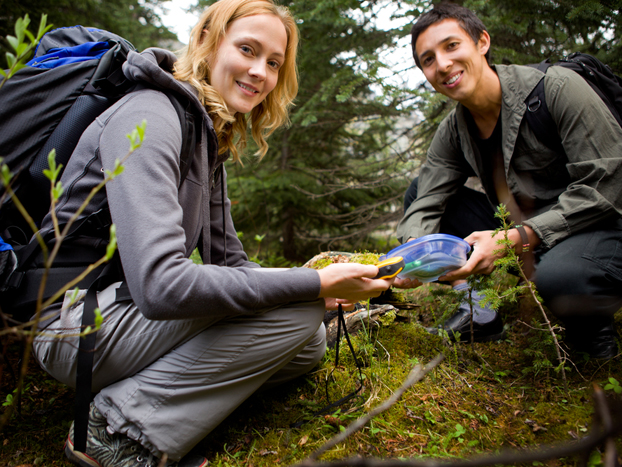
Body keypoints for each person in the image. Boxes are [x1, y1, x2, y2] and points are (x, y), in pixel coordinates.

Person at [31, 1, 394, 465]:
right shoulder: (150, 114)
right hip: (74, 327)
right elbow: (161, 285)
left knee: (308, 342)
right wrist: (315, 283)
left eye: (274, 63)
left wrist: (321, 296)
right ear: (207, 41)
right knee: (297, 312)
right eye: (248, 49)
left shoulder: (205, 138)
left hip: (121, 316)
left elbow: (232, 264)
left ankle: (154, 395)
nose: (260, 71)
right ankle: (117, 430)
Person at [393, 3, 622, 359]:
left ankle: (594, 338)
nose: (442, 65)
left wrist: (511, 239)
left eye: (451, 46)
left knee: (560, 277)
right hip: (526, 230)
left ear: (482, 42)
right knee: (417, 192)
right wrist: (412, 258)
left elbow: (607, 186)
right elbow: (427, 199)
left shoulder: (557, 90)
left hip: (598, 225)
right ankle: (479, 311)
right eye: (427, 59)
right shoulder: (454, 130)